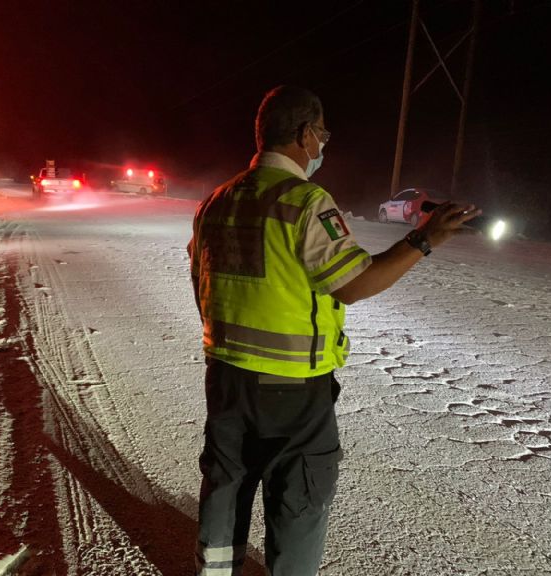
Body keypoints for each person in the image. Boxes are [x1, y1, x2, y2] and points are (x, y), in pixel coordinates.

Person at [187, 85, 480, 576]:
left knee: (227, 484)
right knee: (298, 497)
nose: (323, 145)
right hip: (292, 389)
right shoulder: (304, 201)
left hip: (226, 377)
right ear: (304, 135)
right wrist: (423, 241)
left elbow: (200, 279)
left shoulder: (216, 202)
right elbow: (354, 283)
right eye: (321, 134)